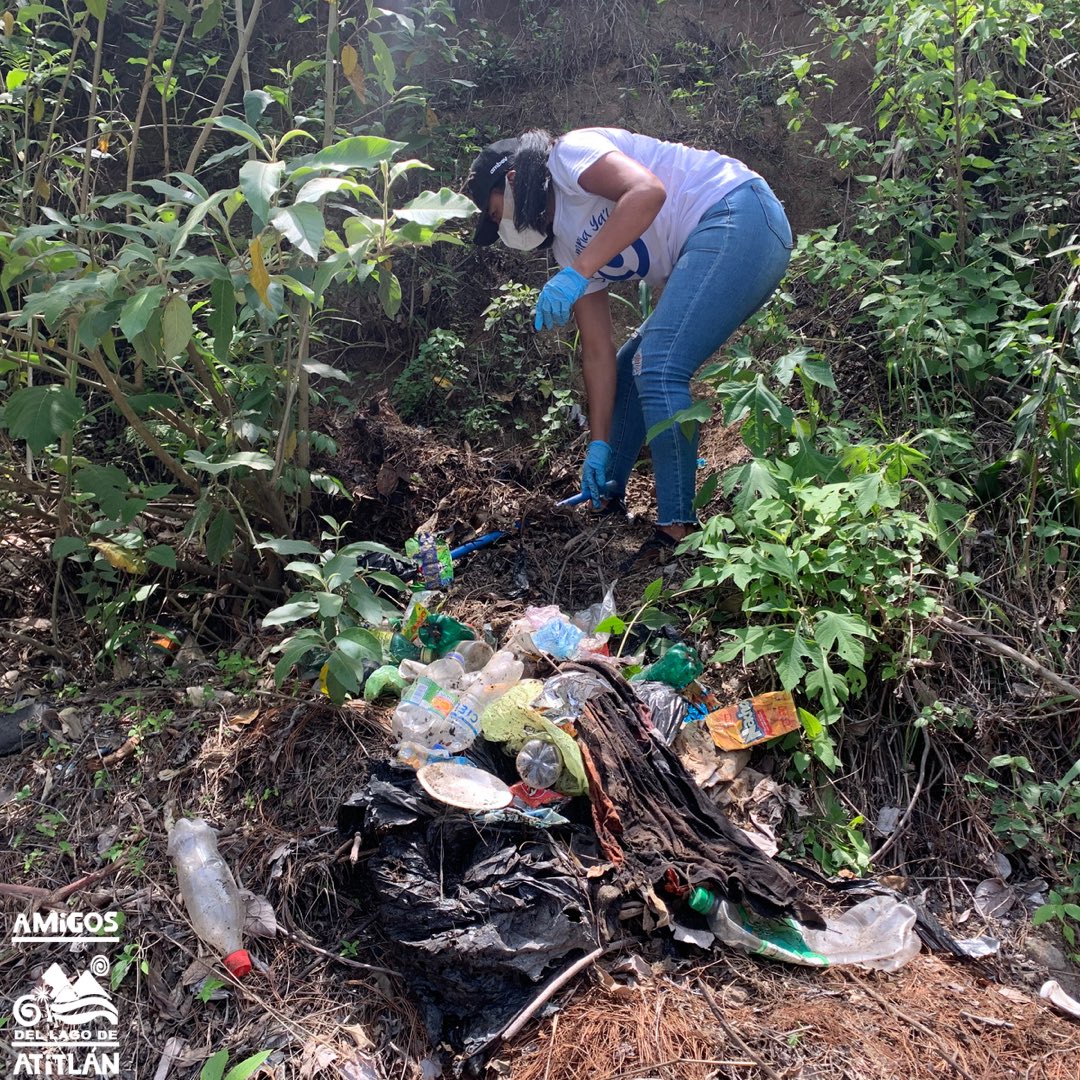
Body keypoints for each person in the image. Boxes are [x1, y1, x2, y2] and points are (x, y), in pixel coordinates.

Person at [466, 128, 793, 564]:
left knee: (658, 365)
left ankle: (678, 530)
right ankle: (606, 496)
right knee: (629, 365)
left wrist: (581, 271)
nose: (502, 227)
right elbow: (597, 351)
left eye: (494, 214)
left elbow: (647, 191)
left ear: (511, 179)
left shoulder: (569, 157)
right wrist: (598, 443)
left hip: (739, 212)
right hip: (716, 238)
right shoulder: (565, 248)